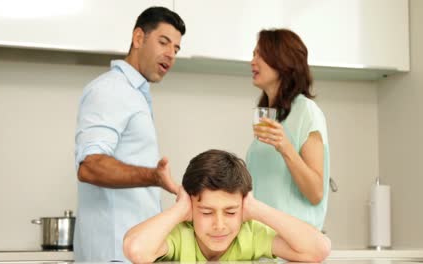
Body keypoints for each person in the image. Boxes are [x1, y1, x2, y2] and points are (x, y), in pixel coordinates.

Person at [73, 6, 185, 262]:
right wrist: (153, 176)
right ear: (138, 38)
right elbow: (89, 166)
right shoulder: (111, 90)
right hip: (114, 253)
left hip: (130, 252)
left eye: (176, 49)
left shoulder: (134, 95)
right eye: (164, 42)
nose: (171, 54)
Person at [123, 149, 331, 262]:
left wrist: (256, 208)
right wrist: (179, 209)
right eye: (206, 212)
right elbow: (136, 250)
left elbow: (318, 249)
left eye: (231, 211)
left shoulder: (248, 234)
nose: (219, 225)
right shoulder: (180, 234)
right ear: (190, 208)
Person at [246, 29, 330, 230]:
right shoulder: (269, 117)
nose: (252, 61)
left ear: (283, 61)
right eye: (253, 54)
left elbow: (315, 192)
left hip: (293, 247)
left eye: (260, 54)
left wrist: (285, 147)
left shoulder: (306, 111)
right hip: (264, 245)